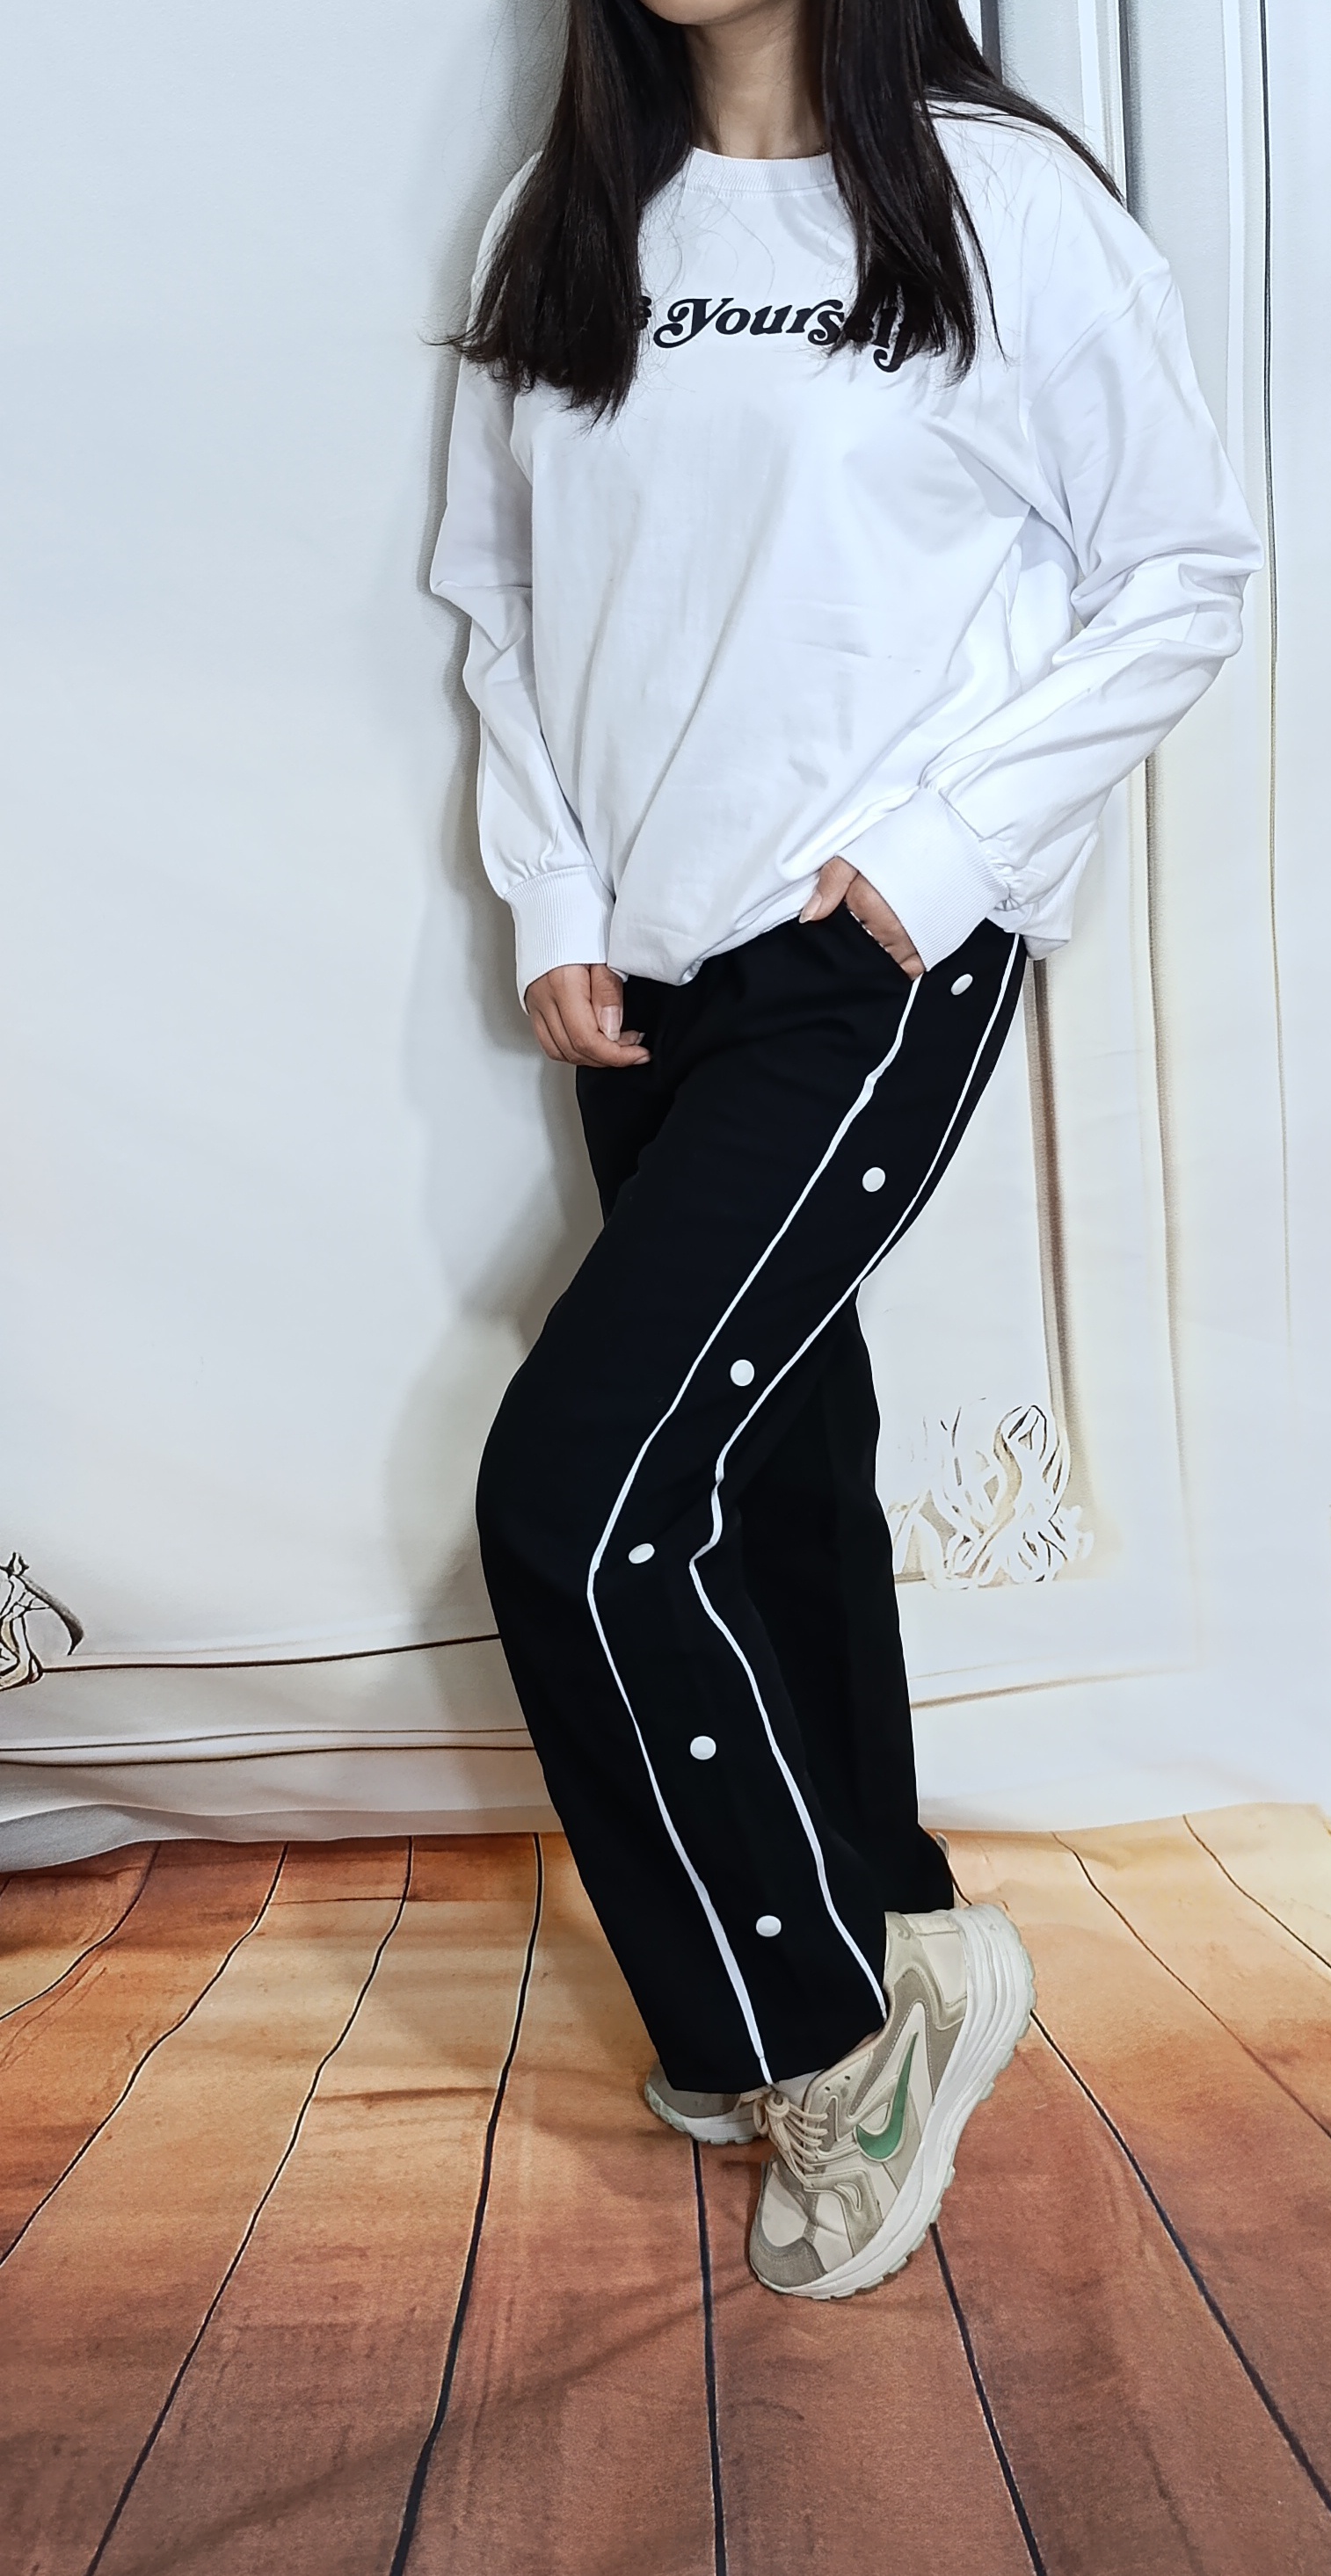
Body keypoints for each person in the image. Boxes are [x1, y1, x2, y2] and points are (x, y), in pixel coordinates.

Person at [431, 0, 1259, 2301]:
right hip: (644, 955)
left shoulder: (1003, 204)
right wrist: (555, 899)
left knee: (577, 1496)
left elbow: (1181, 566)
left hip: (868, 943)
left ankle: (819, 2034)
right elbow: (504, 599)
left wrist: (941, 852)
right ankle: (882, 1912)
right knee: (773, 1461)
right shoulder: (575, 217)